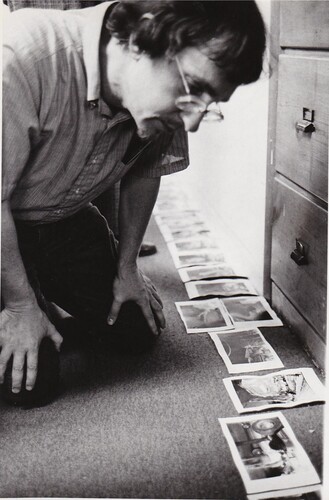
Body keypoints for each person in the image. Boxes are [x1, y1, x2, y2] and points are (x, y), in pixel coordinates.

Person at [1, 0, 266, 404]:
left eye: (208, 104)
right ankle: (31, 300)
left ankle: (46, 298)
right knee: (30, 385)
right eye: (193, 88)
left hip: (58, 220)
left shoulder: (161, 103)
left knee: (134, 328)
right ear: (143, 36)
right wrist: (20, 306)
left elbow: (146, 170)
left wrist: (127, 268)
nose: (193, 121)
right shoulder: (23, 54)